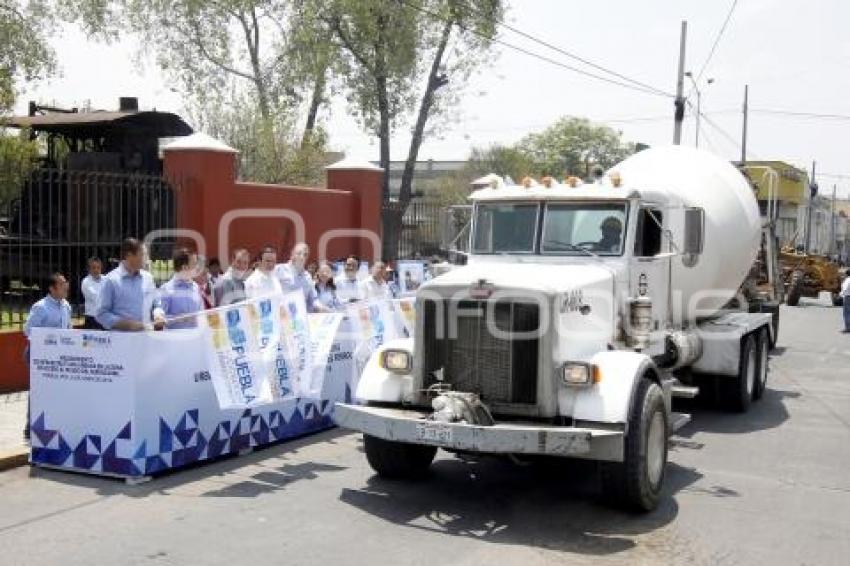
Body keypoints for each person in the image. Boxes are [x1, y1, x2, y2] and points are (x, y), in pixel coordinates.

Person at [22, 273, 73, 441]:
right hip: (38, 356)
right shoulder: (41, 307)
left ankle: (55, 423)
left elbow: (68, 329)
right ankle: (30, 428)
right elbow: (27, 330)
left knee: (57, 391)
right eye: (62, 283)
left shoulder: (66, 306)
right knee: (38, 391)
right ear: (52, 288)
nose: (66, 286)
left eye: (66, 283)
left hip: (59, 357)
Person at [96, 238, 166, 331]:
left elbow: (157, 304)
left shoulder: (148, 278)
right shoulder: (111, 280)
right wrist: (126, 324)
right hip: (121, 341)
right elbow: (101, 314)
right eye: (143, 255)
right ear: (129, 255)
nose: (147, 259)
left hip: (147, 338)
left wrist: (158, 314)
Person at [159, 248, 204, 329]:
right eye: (194, 264)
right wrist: (179, 318)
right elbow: (160, 320)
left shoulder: (196, 287)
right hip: (175, 339)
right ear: (185, 267)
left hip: (195, 338)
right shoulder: (166, 289)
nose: (197, 267)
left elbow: (202, 313)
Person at [274, 242, 321, 311]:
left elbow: (314, 299)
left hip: (301, 317)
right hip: (283, 315)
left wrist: (326, 310)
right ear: (292, 254)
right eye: (299, 253)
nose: (302, 257)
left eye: (305, 255)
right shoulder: (279, 270)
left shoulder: (307, 277)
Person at [80, 257, 104, 330]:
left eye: (98, 267)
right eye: (93, 268)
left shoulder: (106, 279)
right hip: (92, 318)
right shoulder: (86, 282)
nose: (96, 270)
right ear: (89, 269)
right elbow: (95, 297)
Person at [841, 268, 850, 333]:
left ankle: (848, 328)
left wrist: (841, 294)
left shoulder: (848, 280)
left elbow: (845, 289)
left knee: (846, 313)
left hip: (847, 297)